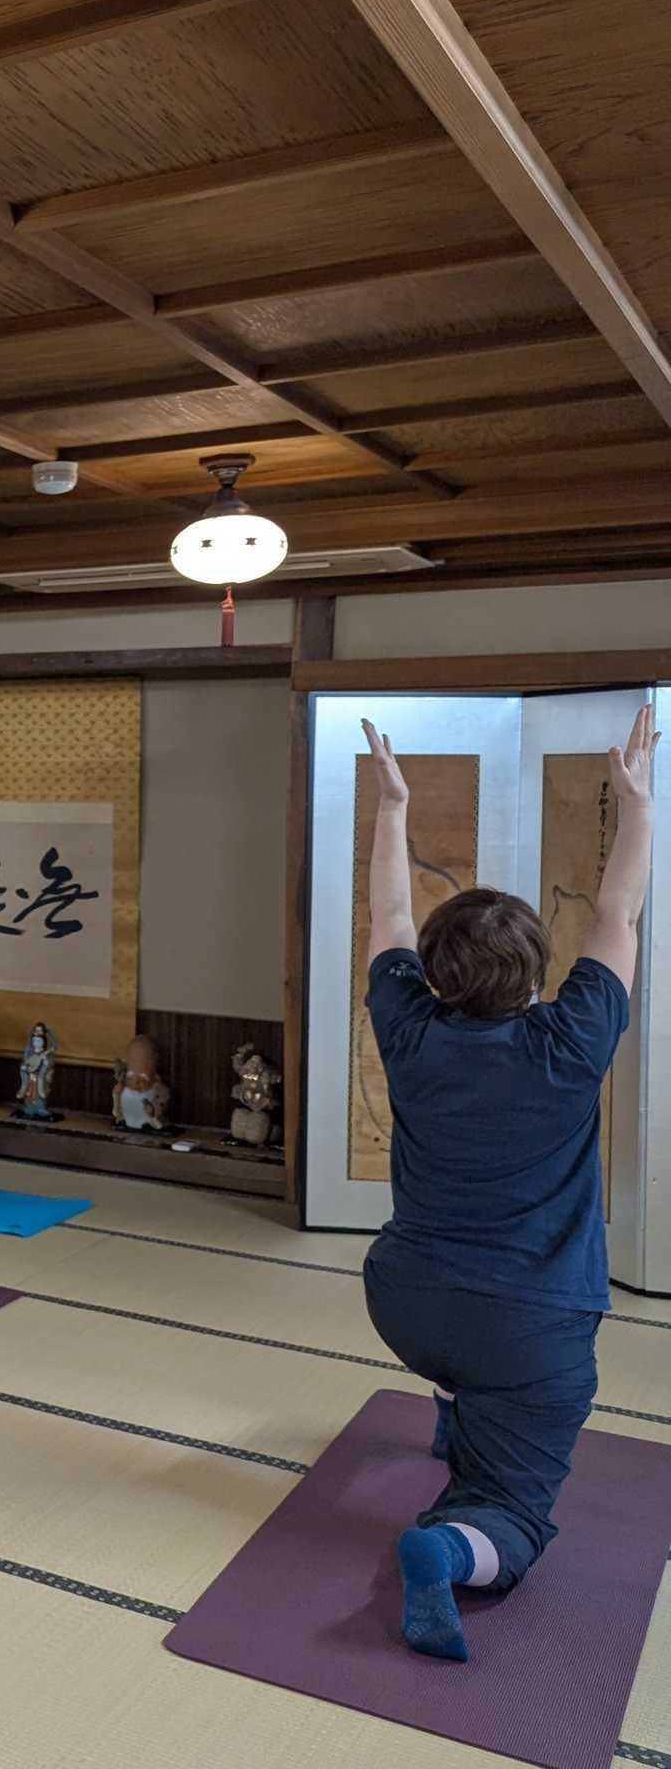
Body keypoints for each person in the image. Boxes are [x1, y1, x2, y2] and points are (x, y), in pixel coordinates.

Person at [360, 705, 655, 1663]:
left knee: (469, 1358)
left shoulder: (409, 1031)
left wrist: (394, 804)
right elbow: (619, 914)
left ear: (436, 972)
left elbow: (389, 916)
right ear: (537, 970)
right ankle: (449, 1545)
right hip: (529, 1322)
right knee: (516, 1512)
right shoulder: (570, 1041)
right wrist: (638, 803)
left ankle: (452, 1404)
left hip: (401, 1301)